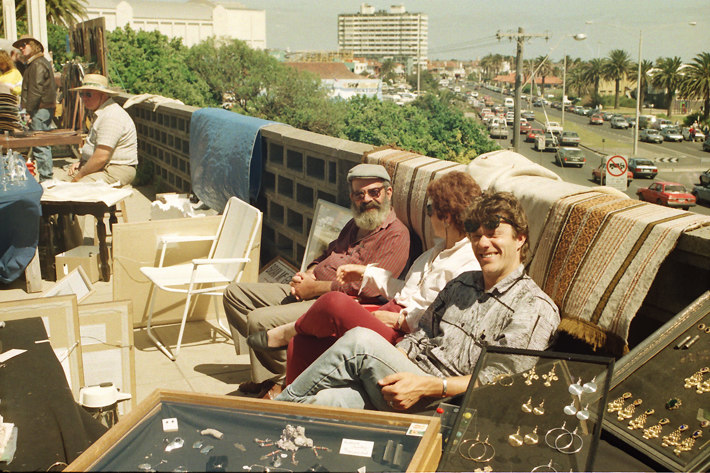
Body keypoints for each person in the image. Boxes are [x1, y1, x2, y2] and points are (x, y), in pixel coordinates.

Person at [275, 191, 560, 411]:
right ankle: (271, 426)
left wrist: (428, 386)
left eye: (494, 234)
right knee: (321, 404)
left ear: (520, 238)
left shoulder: (533, 306)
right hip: (408, 382)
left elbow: (501, 381)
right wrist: (391, 363)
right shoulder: (461, 284)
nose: (483, 243)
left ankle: (268, 411)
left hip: (448, 404)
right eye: (476, 236)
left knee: (361, 340)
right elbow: (420, 336)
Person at [248, 171, 482, 386]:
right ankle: (291, 401)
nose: (429, 216)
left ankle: (287, 331)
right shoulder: (435, 251)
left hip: (404, 337)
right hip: (390, 313)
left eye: (430, 209)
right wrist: (367, 274)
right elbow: (405, 291)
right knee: (304, 344)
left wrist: (400, 321)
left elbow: (443, 316)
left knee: (334, 303)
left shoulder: (466, 264)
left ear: (447, 216)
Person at [224, 163, 410, 398]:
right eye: (359, 194)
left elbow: (371, 289)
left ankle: (280, 380)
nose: (367, 199)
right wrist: (308, 273)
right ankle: (269, 370)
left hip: (335, 302)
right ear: (352, 196)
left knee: (259, 319)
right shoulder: (356, 224)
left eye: (374, 192)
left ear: (388, 192)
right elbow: (326, 254)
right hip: (311, 287)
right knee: (235, 294)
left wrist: (315, 289)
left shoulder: (396, 234)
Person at [66, 74, 138, 186]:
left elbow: (101, 157)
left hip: (114, 170)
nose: (84, 98)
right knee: (61, 183)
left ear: (103, 95)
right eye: (82, 94)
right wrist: (82, 163)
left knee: (74, 188)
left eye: (88, 94)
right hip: (104, 167)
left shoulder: (111, 116)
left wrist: (79, 176)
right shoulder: (102, 112)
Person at [13, 36, 56, 182]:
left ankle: (46, 179)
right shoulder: (35, 63)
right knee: (39, 144)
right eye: (19, 45)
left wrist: (29, 112)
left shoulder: (37, 64)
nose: (20, 47)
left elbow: (35, 91)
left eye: (23, 45)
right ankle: (46, 178)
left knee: (40, 144)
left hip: (39, 109)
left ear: (34, 46)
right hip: (39, 109)